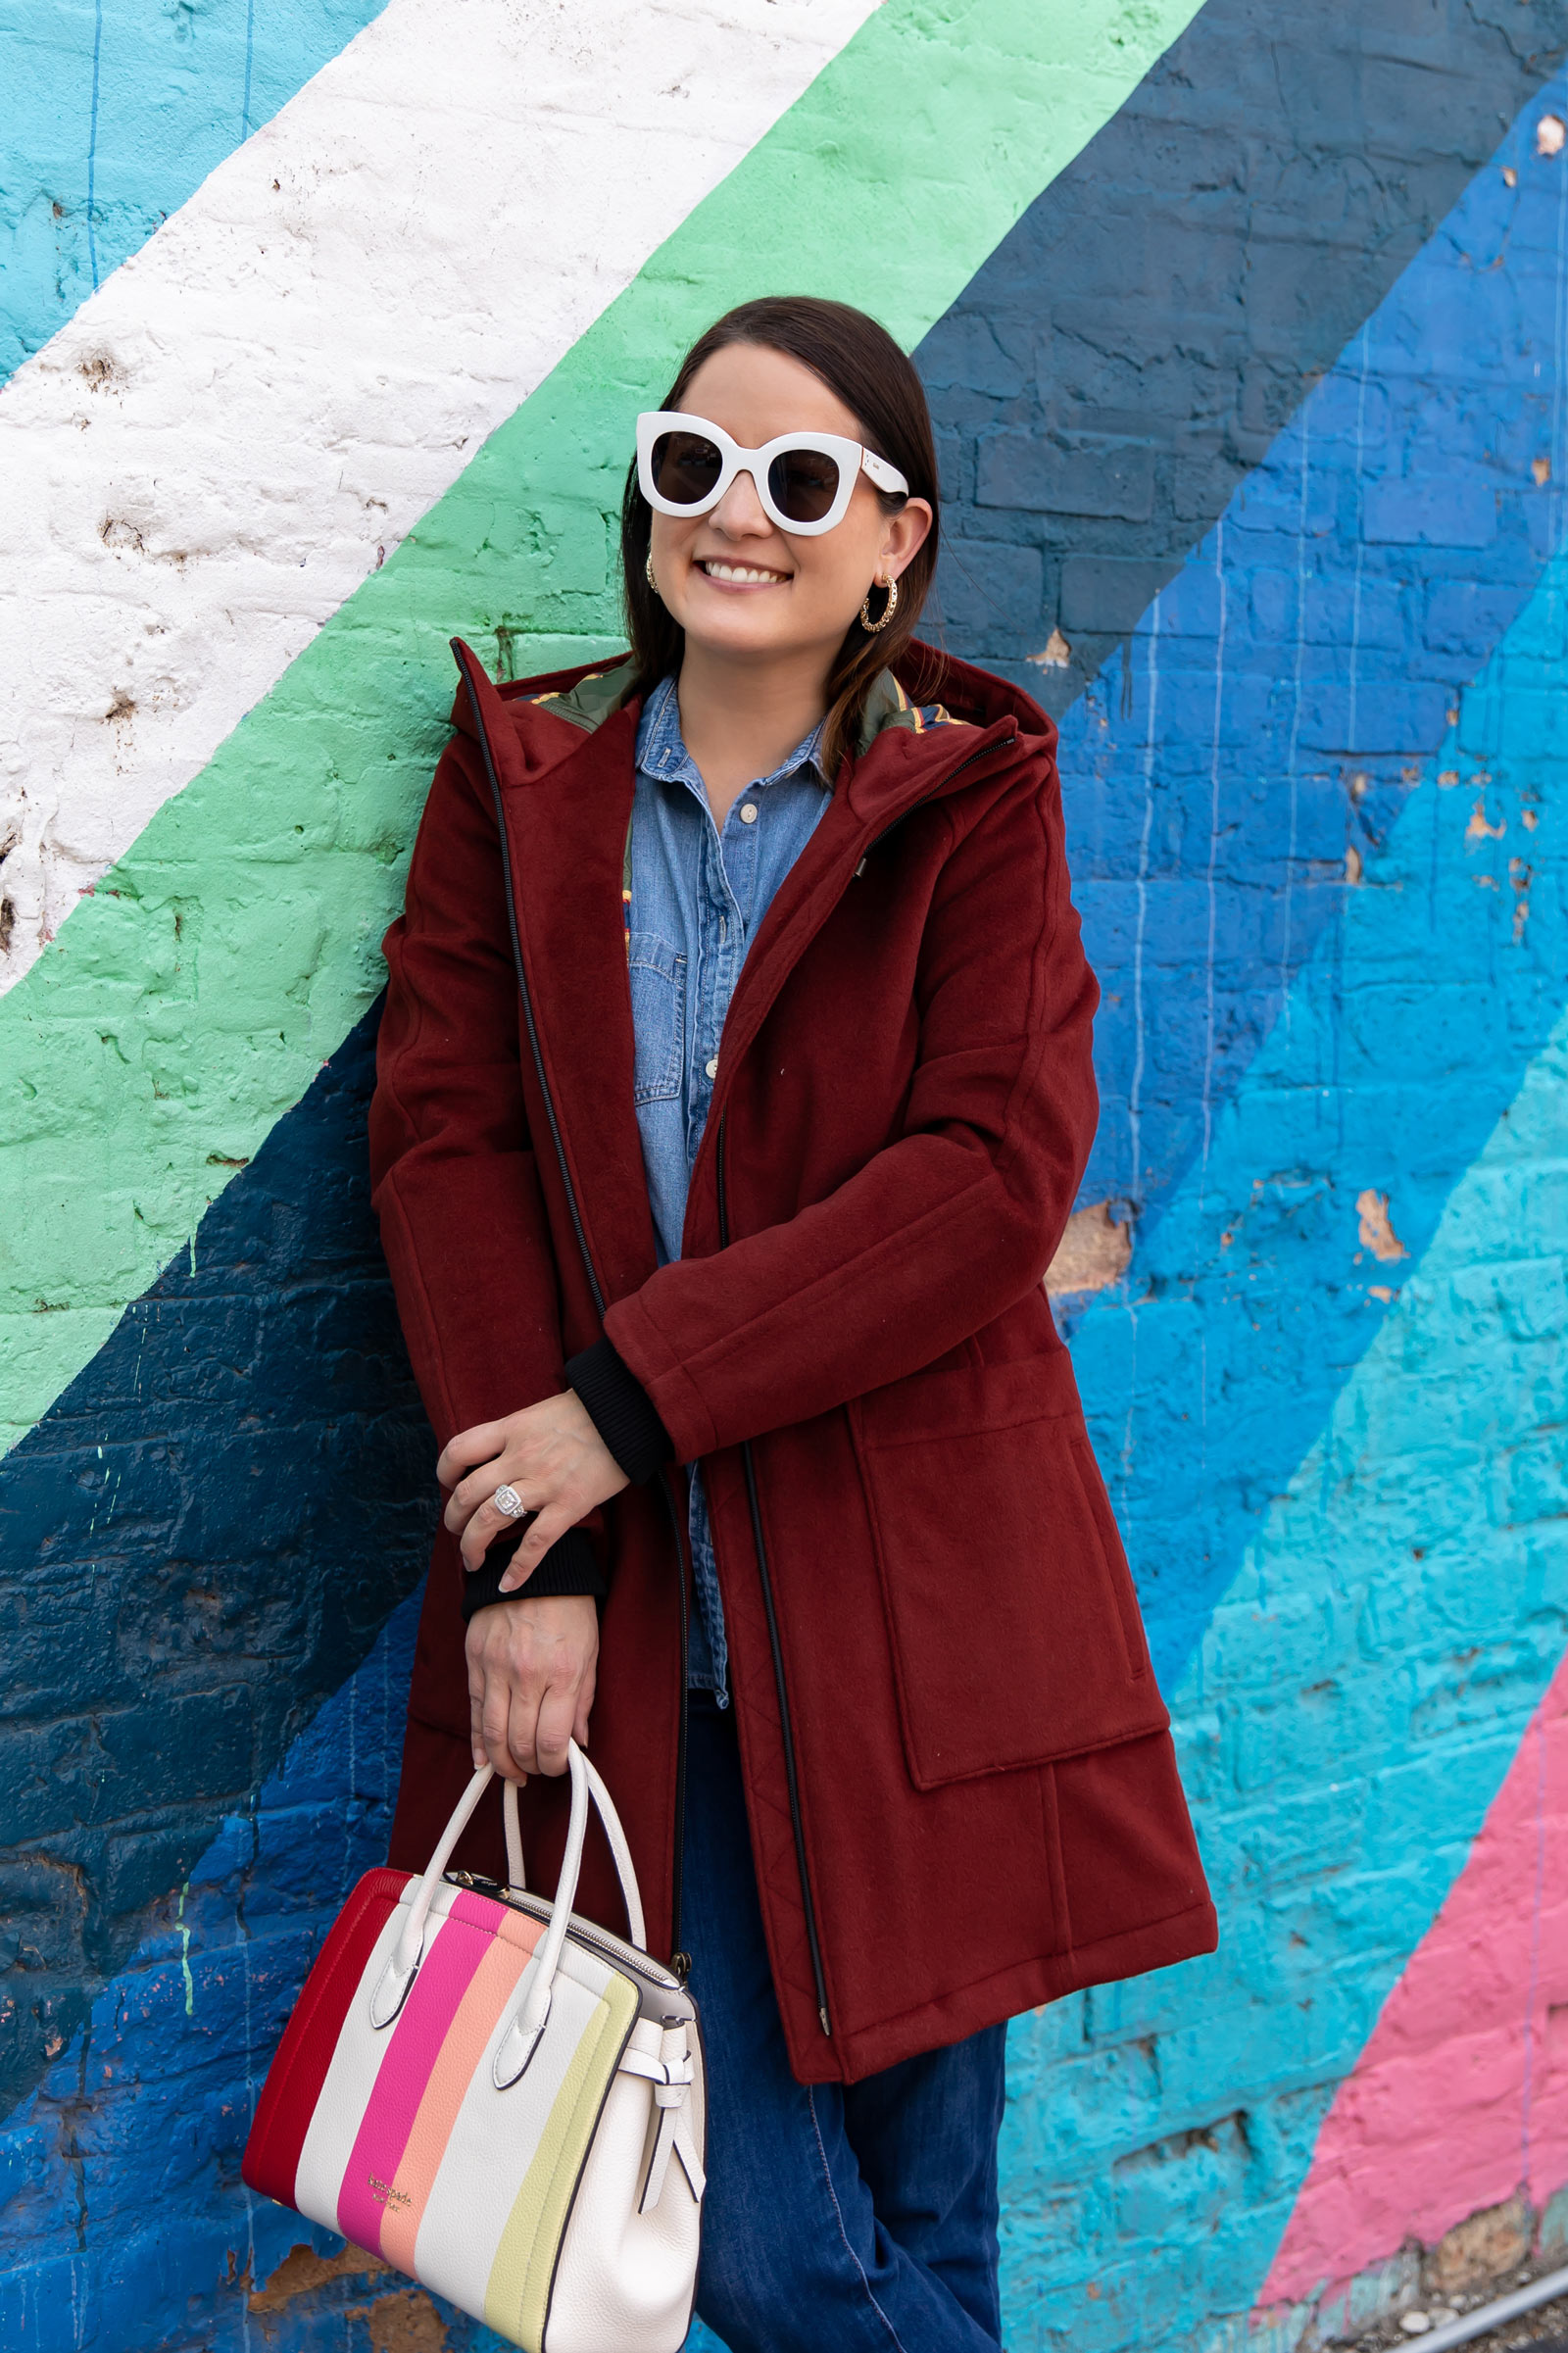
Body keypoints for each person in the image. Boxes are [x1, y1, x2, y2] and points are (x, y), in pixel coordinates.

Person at [368, 295, 1215, 2351]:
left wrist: (624, 1399)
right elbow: (444, 1154)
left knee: (923, 2235)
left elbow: (979, 1182)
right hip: (643, 1637)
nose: (732, 516)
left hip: (924, 1628)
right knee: (746, 2245)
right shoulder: (523, 795)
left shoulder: (966, 806)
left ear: (890, 543)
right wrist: (538, 1540)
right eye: (690, 464)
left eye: (798, 479)